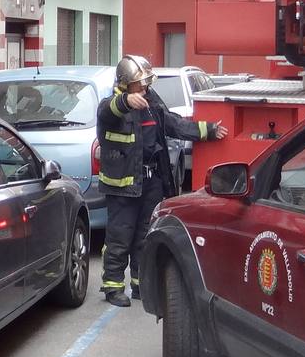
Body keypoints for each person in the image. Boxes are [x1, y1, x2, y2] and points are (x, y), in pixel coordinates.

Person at [96, 55, 227, 307]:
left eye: (146, 83)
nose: (144, 88)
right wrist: (124, 101)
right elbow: (109, 110)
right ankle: (112, 287)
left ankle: (139, 285)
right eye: (139, 84)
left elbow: (172, 124)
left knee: (145, 236)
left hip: (150, 181)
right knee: (119, 236)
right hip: (122, 186)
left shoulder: (151, 101)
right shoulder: (111, 106)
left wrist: (206, 130)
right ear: (125, 84)